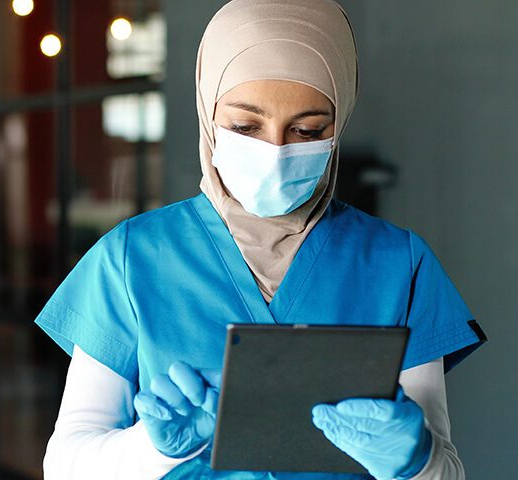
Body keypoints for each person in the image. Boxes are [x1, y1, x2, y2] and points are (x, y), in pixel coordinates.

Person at [36, 1, 487, 479]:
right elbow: (66, 467)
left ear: (340, 124)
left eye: (308, 129)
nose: (275, 151)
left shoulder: (399, 264)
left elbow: (447, 473)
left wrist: (415, 460)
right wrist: (156, 447)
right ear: (209, 116)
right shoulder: (131, 259)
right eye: (245, 127)